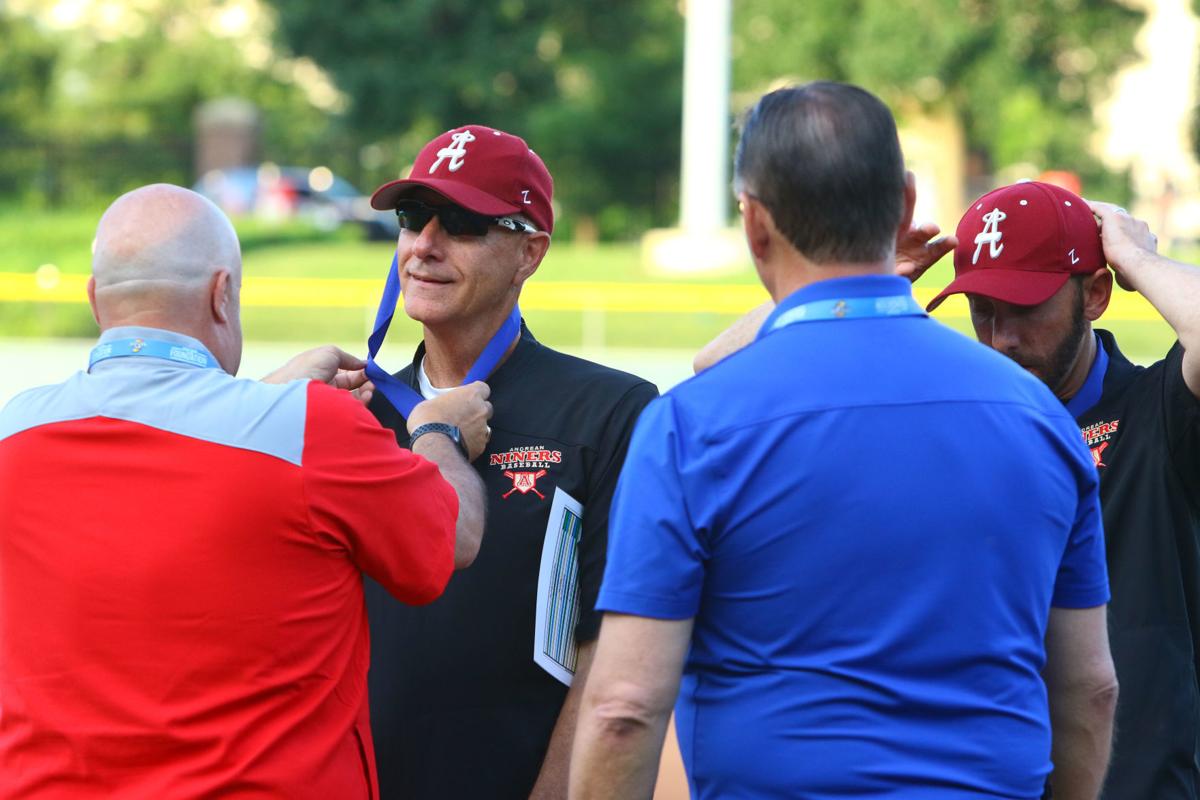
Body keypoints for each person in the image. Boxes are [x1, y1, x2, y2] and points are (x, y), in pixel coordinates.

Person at [570, 83, 1118, 799]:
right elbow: (1091, 689)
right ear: (906, 206)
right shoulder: (1039, 417)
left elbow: (624, 710)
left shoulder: (692, 425)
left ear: (755, 225)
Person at [0, 184, 491, 798]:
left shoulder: (13, 432)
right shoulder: (310, 429)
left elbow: (172, 480)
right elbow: (451, 539)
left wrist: (267, 394)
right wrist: (440, 432)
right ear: (221, 293)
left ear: (96, 300)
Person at [362, 126, 658, 799]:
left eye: (463, 223)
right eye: (413, 219)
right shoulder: (351, 412)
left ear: (530, 252)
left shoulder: (609, 412)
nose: (425, 246)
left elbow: (609, 661)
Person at [923, 181, 1200, 800]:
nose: (1002, 339)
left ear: (1095, 294)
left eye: (1025, 307)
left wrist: (1139, 260)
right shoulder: (950, 423)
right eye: (982, 310)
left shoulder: (1156, 413)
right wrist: (865, 288)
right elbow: (723, 373)